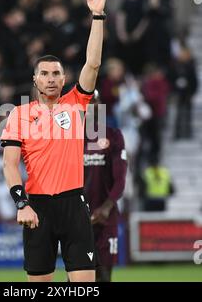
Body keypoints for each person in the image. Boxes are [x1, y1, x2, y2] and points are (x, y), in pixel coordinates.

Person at [0, 0, 108, 282]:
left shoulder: (77, 102)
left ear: (64, 80)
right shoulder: (18, 115)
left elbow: (94, 62)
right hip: (37, 207)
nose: (50, 78)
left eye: (56, 74)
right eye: (44, 74)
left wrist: (97, 17)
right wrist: (21, 203)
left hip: (74, 204)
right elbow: (9, 165)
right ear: (35, 80)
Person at [84, 91, 127, 282]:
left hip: (105, 217)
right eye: (88, 100)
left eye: (96, 99)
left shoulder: (114, 136)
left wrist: (106, 207)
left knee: (103, 275)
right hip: (77, 219)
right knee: (79, 276)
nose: (93, 103)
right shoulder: (67, 140)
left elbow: (120, 178)